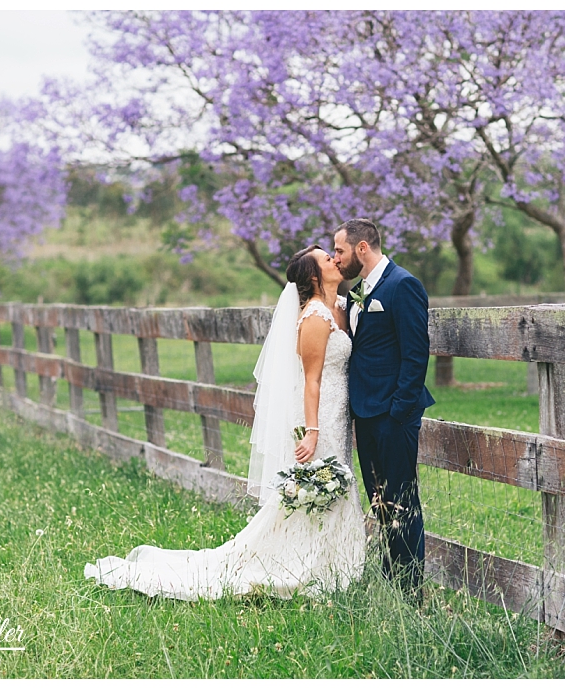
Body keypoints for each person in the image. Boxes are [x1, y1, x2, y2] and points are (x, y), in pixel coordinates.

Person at [84, 246, 366, 600]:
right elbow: (311, 380)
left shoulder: (340, 306)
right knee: (320, 483)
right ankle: (302, 565)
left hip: (336, 412)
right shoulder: (314, 317)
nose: (335, 260)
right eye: (327, 259)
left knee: (335, 483)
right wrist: (311, 431)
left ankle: (332, 563)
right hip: (317, 415)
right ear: (313, 276)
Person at [333, 218, 435, 605]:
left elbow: (416, 354)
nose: (336, 258)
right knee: (381, 502)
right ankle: (392, 582)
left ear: (362, 248)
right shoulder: (359, 291)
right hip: (366, 413)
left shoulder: (402, 285)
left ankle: (410, 593)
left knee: (403, 502)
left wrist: (399, 411)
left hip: (393, 415)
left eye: (340, 250)